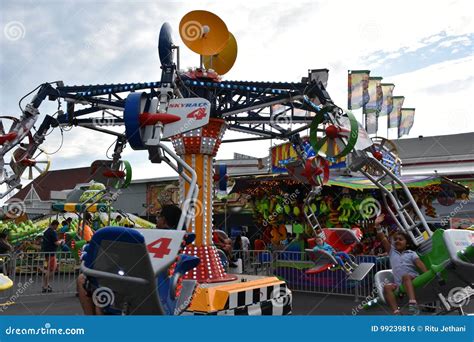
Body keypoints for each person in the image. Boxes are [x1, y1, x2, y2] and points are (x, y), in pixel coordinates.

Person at [375, 214, 428, 315]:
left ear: (407, 243)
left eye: (400, 239)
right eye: (395, 239)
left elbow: (419, 264)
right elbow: (383, 239)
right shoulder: (392, 252)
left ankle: (413, 303)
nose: (397, 241)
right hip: (399, 284)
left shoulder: (411, 253)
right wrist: (378, 226)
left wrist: (427, 275)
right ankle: (396, 311)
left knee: (406, 276)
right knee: (386, 287)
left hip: (412, 279)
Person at [41, 220, 64, 293]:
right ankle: (45, 286)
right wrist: (61, 241)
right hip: (51, 253)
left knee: (52, 268)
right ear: (55, 225)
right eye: (57, 226)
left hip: (48, 252)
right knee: (50, 270)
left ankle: (46, 284)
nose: (57, 228)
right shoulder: (52, 232)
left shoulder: (46, 231)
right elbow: (56, 243)